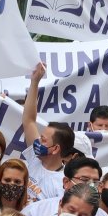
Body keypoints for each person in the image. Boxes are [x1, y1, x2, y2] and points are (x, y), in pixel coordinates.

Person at [22, 63, 76, 203]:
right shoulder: (35, 158)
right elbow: (29, 121)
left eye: (43, 140)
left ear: (56, 149)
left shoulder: (62, 183)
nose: (38, 141)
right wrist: (34, 82)